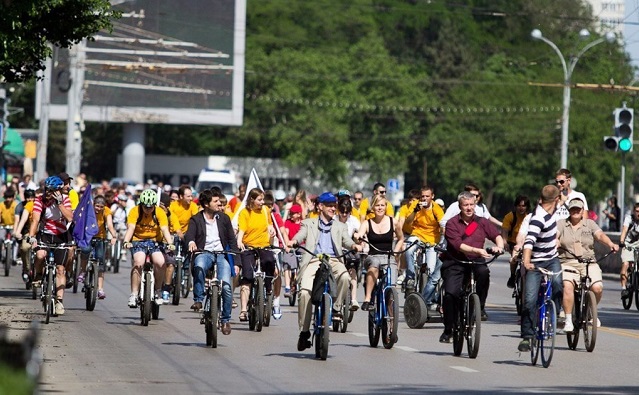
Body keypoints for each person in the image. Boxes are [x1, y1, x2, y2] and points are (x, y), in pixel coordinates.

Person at [287, 192, 362, 351]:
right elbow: (300, 236)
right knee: (305, 293)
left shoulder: (340, 226)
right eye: (329, 206)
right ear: (320, 207)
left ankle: (336, 309)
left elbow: (346, 241)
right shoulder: (309, 223)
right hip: (313, 260)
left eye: (334, 206)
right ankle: (304, 331)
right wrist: (293, 241)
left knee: (345, 277)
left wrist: (354, 245)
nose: (333, 208)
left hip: (334, 259)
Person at [439, 191, 504, 343]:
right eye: (465, 205)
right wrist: (477, 250)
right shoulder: (452, 223)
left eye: (471, 205)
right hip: (455, 261)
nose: (469, 208)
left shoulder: (482, 221)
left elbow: (496, 235)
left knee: (484, 273)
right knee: (450, 294)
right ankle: (448, 329)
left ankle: (479, 306)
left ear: (475, 205)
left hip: (476, 260)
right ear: (460, 207)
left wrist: (499, 247)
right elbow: (458, 245)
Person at [557, 198, 618, 332]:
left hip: (588, 262)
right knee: (567, 285)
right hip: (568, 262)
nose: (575, 211)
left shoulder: (590, 224)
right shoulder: (561, 224)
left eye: (578, 209)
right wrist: (555, 241)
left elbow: (600, 235)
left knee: (597, 287)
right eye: (573, 209)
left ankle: (591, 311)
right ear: (569, 210)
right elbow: (555, 235)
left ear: (583, 210)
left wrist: (611, 244)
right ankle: (568, 319)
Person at [185, 189, 238, 335]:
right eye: (215, 201)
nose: (219, 203)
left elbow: (232, 241)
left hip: (221, 255)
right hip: (204, 253)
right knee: (199, 265)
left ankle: (225, 320)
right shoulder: (196, 219)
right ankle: (198, 299)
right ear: (206, 204)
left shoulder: (224, 218)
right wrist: (190, 242)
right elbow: (189, 235)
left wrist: (236, 262)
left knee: (227, 286)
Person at [517, 185, 563, 352]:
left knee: (558, 284)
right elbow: (529, 241)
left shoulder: (554, 209)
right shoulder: (538, 218)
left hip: (552, 259)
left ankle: (553, 316)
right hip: (535, 263)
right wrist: (527, 261)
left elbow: (563, 199)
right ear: (555, 200)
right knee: (529, 299)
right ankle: (527, 337)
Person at [26, 176, 74, 315]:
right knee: (40, 255)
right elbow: (35, 220)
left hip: (61, 236)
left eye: (51, 191)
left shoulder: (64, 199)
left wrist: (60, 204)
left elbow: (70, 217)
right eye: (47, 189)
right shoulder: (40, 200)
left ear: (58, 191)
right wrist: (32, 236)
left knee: (60, 269)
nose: (48, 193)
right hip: (45, 235)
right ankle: (38, 275)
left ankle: (59, 301)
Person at [122, 189, 175, 308]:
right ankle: (134, 294)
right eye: (146, 207)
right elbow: (131, 227)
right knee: (138, 262)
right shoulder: (135, 211)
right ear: (141, 204)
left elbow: (165, 229)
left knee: (161, 262)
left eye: (151, 207)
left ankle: (158, 291)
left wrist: (170, 243)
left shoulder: (159, 212)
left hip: (155, 242)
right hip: (138, 241)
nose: (148, 210)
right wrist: (126, 241)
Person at [236, 188, 276, 322]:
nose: (262, 202)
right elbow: (241, 230)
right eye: (259, 200)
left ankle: (268, 287)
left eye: (262, 199)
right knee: (247, 277)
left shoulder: (265, 210)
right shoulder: (245, 212)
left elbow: (269, 225)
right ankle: (243, 310)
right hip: (249, 247)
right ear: (252, 200)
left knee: (270, 261)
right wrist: (239, 242)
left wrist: (272, 231)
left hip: (264, 246)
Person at [358, 194, 404, 311]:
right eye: (377, 205)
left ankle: (391, 318)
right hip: (373, 256)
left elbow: (401, 238)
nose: (380, 208)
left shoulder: (393, 222)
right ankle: (368, 298)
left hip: (389, 257)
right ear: (372, 208)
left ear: (386, 207)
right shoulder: (367, 223)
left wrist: (395, 251)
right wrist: (357, 236)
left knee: (391, 289)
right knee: (374, 265)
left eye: (382, 205)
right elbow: (359, 234)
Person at [402, 186, 445, 309]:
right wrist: (415, 210)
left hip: (432, 240)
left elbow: (443, 224)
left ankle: (427, 299)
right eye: (422, 196)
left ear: (432, 197)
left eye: (427, 196)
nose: (424, 199)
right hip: (417, 235)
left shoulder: (436, 208)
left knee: (431, 271)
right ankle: (410, 277)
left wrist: (443, 238)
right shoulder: (415, 205)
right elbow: (408, 222)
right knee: (408, 249)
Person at [78, 195, 118, 300]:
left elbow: (109, 225)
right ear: (93, 204)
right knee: (85, 251)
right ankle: (83, 271)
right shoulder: (88, 210)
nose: (99, 209)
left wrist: (114, 236)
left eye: (101, 207)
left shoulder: (107, 211)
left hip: (100, 237)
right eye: (97, 206)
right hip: (87, 236)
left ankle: (100, 289)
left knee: (100, 262)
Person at [336, 196, 361, 310]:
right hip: (336, 251)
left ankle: (353, 299)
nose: (344, 215)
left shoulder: (354, 221)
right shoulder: (334, 220)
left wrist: (358, 238)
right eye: (342, 211)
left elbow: (361, 235)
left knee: (353, 269)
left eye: (347, 212)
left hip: (350, 250)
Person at [501, 195, 530, 288]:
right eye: (519, 206)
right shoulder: (510, 216)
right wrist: (504, 242)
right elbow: (505, 230)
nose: (521, 208)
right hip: (512, 243)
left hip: (526, 243)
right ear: (515, 206)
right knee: (514, 260)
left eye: (523, 206)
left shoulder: (530, 217)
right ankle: (512, 275)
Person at [396, 189, 420, 285]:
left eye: (414, 200)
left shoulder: (421, 209)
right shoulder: (404, 208)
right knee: (403, 248)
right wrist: (399, 236)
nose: (411, 202)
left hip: (418, 234)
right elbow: (401, 222)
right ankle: (403, 271)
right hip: (406, 234)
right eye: (410, 200)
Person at [14, 189, 36, 282]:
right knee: (24, 248)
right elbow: (18, 220)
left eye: (32, 197)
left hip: (39, 232)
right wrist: (16, 232)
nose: (30, 199)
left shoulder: (38, 205)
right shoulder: (20, 206)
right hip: (26, 231)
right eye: (27, 197)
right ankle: (26, 268)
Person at [282, 204, 303, 299]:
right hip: (290, 246)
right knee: (287, 262)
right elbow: (285, 232)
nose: (291, 215)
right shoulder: (288, 222)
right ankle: (287, 287)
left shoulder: (303, 223)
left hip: (302, 246)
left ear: (299, 214)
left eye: (293, 213)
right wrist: (287, 245)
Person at [620, 202, 639, 299]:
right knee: (626, 264)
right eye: (637, 211)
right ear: (634, 212)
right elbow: (624, 230)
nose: (638, 213)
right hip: (628, 244)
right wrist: (621, 241)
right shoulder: (629, 219)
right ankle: (624, 288)